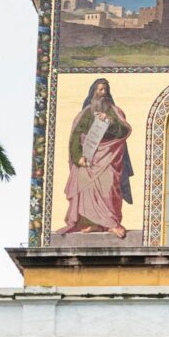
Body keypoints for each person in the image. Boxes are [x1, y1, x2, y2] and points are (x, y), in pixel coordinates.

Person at [63, 78, 133, 236]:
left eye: (105, 90)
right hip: (88, 159)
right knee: (85, 186)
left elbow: (124, 131)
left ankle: (111, 223)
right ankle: (94, 224)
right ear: (93, 92)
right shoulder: (85, 113)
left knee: (109, 188)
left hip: (109, 157)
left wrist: (109, 121)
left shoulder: (115, 112)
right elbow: (75, 137)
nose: (103, 93)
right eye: (100, 90)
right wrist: (78, 157)